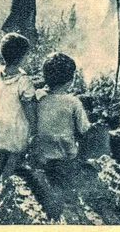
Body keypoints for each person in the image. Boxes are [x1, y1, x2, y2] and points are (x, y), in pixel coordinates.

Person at [32, 52, 91, 188]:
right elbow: (84, 129)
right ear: (70, 80)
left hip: (41, 157)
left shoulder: (38, 98)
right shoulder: (73, 102)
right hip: (65, 158)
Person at [0, 33, 37, 180]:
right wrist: (33, 124)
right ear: (20, 58)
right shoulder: (24, 81)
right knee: (15, 154)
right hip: (16, 123)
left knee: (2, 153)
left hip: (0, 120)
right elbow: (27, 106)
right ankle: (4, 183)